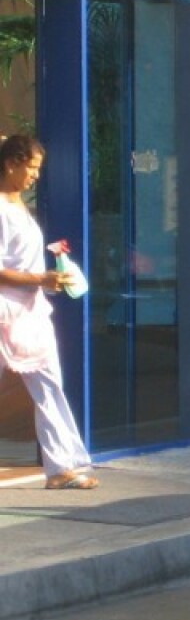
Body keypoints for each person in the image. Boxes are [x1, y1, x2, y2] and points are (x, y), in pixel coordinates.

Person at [0, 134, 99, 490]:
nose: (36, 176)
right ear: (12, 163)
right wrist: (39, 277)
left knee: (49, 384)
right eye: (32, 167)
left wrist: (46, 279)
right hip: (5, 310)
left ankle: (61, 467)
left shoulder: (17, 204)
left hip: (30, 311)